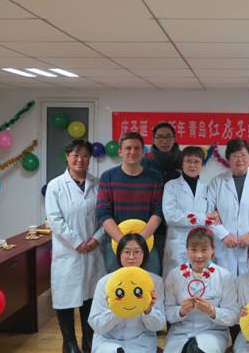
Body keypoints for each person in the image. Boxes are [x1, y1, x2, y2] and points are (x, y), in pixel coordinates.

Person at [46, 139, 106, 353]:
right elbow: (54, 219)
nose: (80, 159)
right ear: (67, 157)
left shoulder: (98, 184)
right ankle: (69, 343)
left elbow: (105, 216)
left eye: (85, 155)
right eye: (75, 155)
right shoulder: (55, 186)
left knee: (90, 297)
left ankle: (88, 340)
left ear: (90, 159)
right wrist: (77, 242)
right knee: (66, 298)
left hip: (93, 249)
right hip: (68, 251)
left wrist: (97, 238)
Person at [96, 131, 163, 274]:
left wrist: (141, 240)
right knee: (116, 285)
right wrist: (123, 242)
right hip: (116, 243)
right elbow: (103, 212)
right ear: (120, 151)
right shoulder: (108, 177)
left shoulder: (155, 177)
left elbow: (158, 211)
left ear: (143, 151)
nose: (132, 152)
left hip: (147, 242)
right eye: (128, 148)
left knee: (152, 283)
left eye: (137, 148)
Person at [164, 227, 239, 353]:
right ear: (187, 250)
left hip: (212, 333)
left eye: (204, 250)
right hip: (180, 334)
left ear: (213, 250)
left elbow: (233, 315)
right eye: (193, 250)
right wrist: (181, 311)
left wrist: (211, 311)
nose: (199, 256)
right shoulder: (174, 275)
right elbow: (168, 312)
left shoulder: (224, 276)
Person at [88, 234, 166, 353]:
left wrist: (148, 310)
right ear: (119, 254)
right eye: (127, 252)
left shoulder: (155, 282)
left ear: (144, 254)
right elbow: (95, 323)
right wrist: (115, 310)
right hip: (108, 341)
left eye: (137, 252)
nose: (131, 257)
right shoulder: (105, 282)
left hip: (140, 342)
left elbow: (158, 326)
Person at [207, 138, 249, 276]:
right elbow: (208, 213)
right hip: (225, 246)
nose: (239, 159)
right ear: (228, 159)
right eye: (235, 155)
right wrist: (224, 235)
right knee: (225, 283)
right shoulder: (217, 182)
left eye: (243, 155)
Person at [163, 146, 218, 274]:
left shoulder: (207, 188)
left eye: (196, 161)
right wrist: (203, 218)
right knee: (177, 279)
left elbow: (212, 217)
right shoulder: (171, 186)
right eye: (188, 161)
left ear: (202, 165)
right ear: (182, 164)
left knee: (199, 280)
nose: (192, 165)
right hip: (179, 244)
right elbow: (171, 216)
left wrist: (207, 217)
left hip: (202, 243)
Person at [143, 122, 183, 269]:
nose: (164, 141)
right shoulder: (145, 163)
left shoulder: (184, 161)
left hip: (179, 224)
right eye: (160, 137)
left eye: (168, 137)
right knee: (154, 268)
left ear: (174, 138)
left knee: (177, 270)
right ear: (153, 139)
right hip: (152, 225)